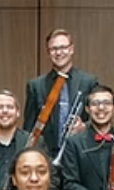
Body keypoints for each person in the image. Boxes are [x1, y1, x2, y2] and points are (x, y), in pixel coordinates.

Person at [23, 29, 98, 159]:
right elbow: (29, 126)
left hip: (80, 153)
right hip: (46, 156)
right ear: (48, 52)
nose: (58, 53)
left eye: (63, 47)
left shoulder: (88, 82)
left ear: (71, 49)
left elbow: (100, 119)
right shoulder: (36, 86)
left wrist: (84, 126)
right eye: (53, 49)